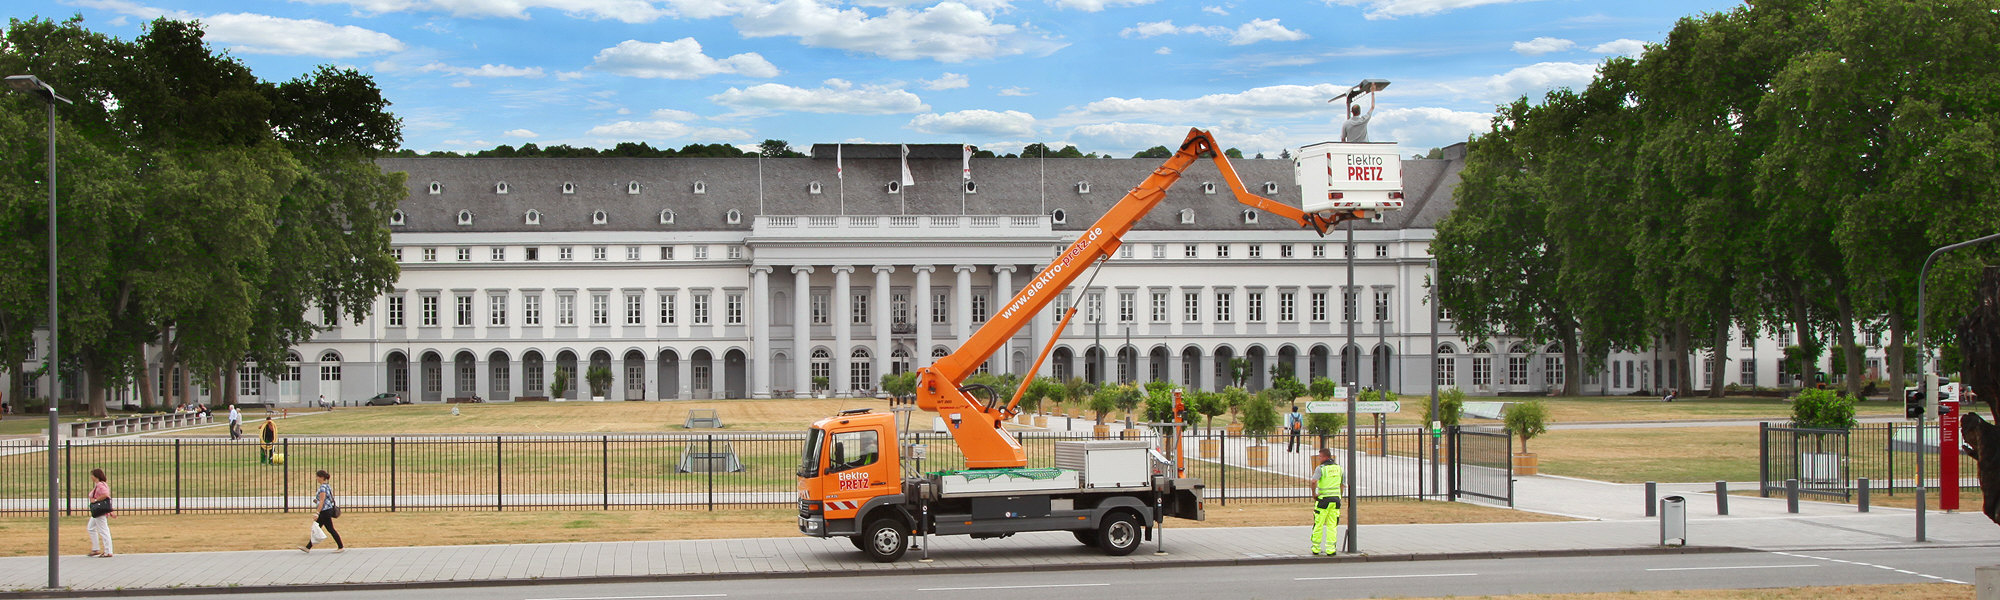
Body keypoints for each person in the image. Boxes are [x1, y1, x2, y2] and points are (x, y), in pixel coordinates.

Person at [300, 470, 345, 553]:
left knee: (329, 529)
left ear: (322, 477)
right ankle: (308, 547)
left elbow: (322, 501)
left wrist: (317, 513)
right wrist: (316, 501)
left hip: (325, 511)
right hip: (327, 510)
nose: (316, 478)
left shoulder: (323, 488)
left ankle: (341, 546)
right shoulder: (327, 486)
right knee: (318, 527)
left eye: (317, 477)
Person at [1310, 448, 1343, 556]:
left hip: (1323, 500)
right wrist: (1340, 496)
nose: (1319, 458)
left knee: (1318, 524)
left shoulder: (1321, 468)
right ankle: (1331, 549)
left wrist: (1314, 494)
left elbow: (1314, 481)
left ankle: (1316, 548)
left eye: (1320, 456)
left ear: (1325, 457)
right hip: (1336, 500)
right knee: (1332, 525)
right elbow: (1342, 485)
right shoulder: (1339, 468)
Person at [87, 468, 113, 558]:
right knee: (90, 528)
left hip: (99, 511)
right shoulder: (101, 484)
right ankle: (95, 549)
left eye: (92, 475)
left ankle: (108, 551)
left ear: (96, 476)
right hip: (98, 512)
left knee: (103, 530)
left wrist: (95, 500)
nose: (91, 477)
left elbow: (106, 495)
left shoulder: (100, 485)